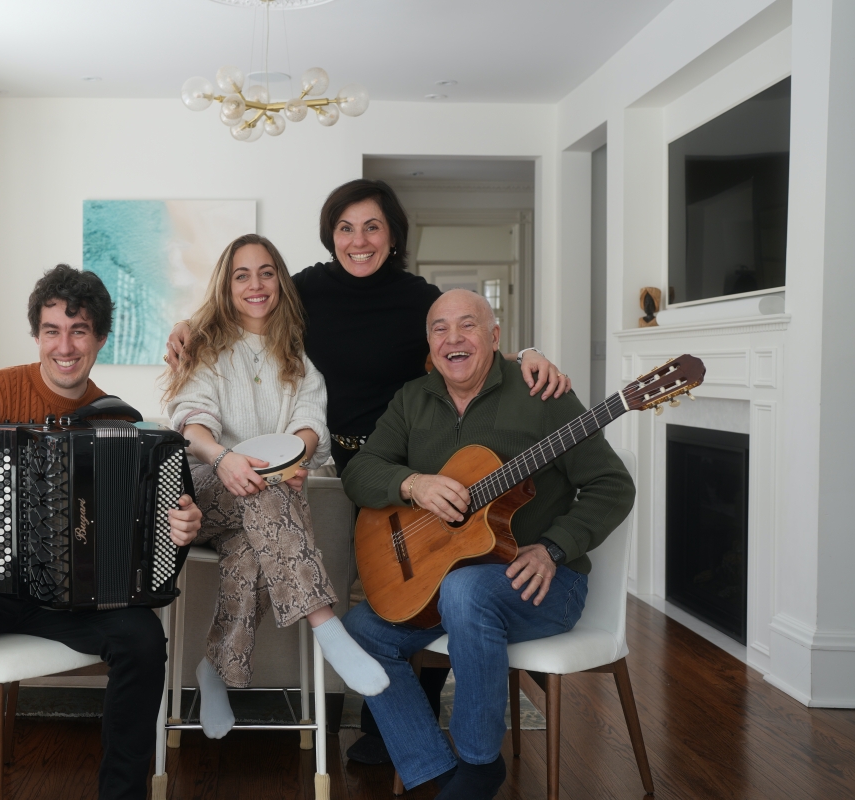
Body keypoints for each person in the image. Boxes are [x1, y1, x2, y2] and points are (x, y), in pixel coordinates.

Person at [166, 178, 572, 763]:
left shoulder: (411, 301)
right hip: (309, 474)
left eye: (372, 227)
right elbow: (237, 314)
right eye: (345, 228)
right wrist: (187, 327)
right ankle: (327, 650)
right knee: (339, 578)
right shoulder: (301, 290)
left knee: (418, 586)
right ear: (331, 236)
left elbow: (462, 338)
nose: (359, 241)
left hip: (395, 463)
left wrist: (525, 352)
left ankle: (384, 732)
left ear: (392, 235)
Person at [0, 265, 204, 800]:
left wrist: (179, 527)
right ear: (37, 336)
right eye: (52, 330)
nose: (64, 346)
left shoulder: (120, 421)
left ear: (99, 338)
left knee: (142, 639)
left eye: (79, 331)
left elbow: (142, 536)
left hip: (68, 600)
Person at [341, 289, 635, 800]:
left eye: (468, 325)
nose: (453, 338)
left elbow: (613, 485)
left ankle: (479, 765)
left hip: (543, 582)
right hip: (442, 581)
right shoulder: (412, 399)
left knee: (466, 591)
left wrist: (554, 546)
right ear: (429, 343)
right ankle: (432, 767)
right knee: (361, 631)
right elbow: (362, 471)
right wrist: (415, 485)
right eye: (439, 328)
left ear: (495, 337)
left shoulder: (543, 393)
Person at [163, 233, 388, 740]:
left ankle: (214, 672)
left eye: (266, 272)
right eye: (242, 274)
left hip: (263, 507)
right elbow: (191, 422)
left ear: (280, 282)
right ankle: (327, 625)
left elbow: (311, 424)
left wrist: (297, 457)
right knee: (268, 489)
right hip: (202, 497)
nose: (256, 284)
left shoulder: (297, 356)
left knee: (252, 542)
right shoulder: (204, 348)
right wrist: (224, 459)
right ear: (226, 285)